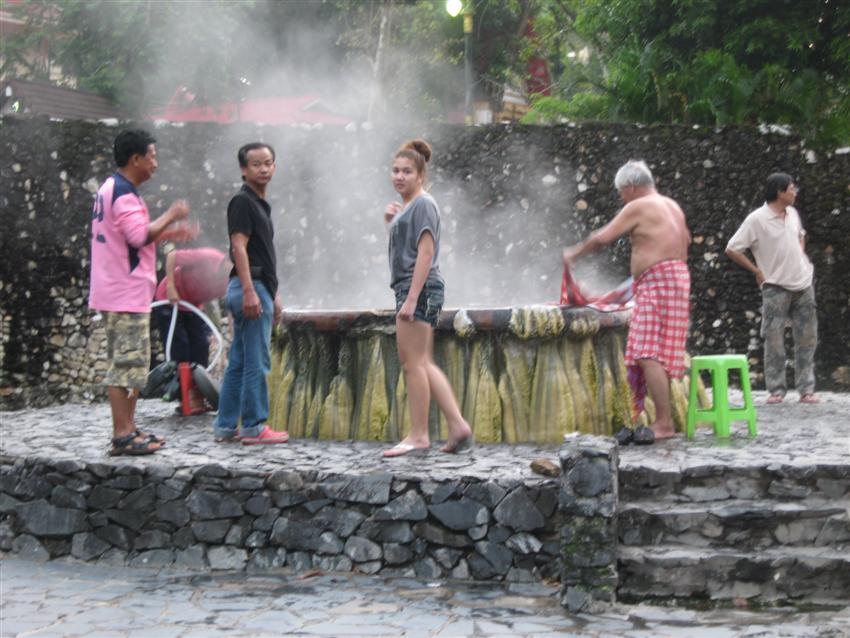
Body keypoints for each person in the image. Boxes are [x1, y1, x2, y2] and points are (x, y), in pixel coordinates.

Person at [563, 160, 691, 443]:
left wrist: (574, 253)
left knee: (648, 352)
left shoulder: (639, 205)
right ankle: (664, 419)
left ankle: (663, 423)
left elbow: (602, 238)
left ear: (631, 188)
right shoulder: (671, 205)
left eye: (621, 192)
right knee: (661, 350)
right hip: (678, 276)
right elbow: (686, 239)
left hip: (659, 280)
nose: (621, 198)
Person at [89, 129, 198, 456]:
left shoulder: (115, 188)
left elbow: (131, 236)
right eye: (151, 156)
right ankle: (122, 433)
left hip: (121, 289)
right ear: (135, 159)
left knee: (134, 363)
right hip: (123, 291)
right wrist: (171, 215)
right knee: (126, 364)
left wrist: (169, 231)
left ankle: (130, 428)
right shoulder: (123, 192)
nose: (155, 163)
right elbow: (138, 237)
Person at [382, 139, 473, 458]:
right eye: (395, 170)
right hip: (414, 288)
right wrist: (390, 221)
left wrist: (411, 299)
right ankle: (458, 425)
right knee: (422, 362)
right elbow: (406, 248)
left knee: (412, 364)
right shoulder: (410, 207)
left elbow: (426, 252)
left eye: (407, 171)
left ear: (421, 175)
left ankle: (419, 435)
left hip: (417, 288)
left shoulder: (423, 204)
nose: (399, 176)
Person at [213, 142, 289, 445]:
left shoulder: (257, 203)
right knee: (257, 361)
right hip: (249, 287)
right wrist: (250, 291)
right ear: (244, 170)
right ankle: (255, 426)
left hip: (257, 286)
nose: (264, 169)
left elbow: (262, 254)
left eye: (268, 163)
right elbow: (239, 247)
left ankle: (225, 425)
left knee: (240, 361)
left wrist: (274, 293)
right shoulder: (243, 201)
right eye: (256, 164)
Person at [725, 173, 819, 405]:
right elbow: (732, 248)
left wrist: (801, 258)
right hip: (775, 286)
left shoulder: (793, 214)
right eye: (791, 188)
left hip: (803, 283)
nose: (795, 192)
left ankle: (806, 389)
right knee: (774, 338)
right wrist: (757, 270)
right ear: (779, 191)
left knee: (807, 338)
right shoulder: (757, 219)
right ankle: (776, 389)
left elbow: (800, 236)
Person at [153, 247, 231, 367]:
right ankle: (178, 383)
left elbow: (232, 306)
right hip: (169, 301)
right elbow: (172, 257)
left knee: (201, 346)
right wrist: (170, 286)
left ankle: (196, 383)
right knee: (179, 348)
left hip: (192, 307)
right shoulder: (208, 257)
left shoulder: (232, 281)